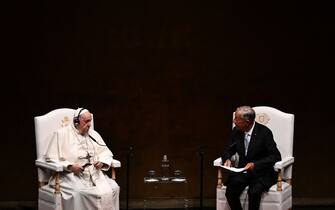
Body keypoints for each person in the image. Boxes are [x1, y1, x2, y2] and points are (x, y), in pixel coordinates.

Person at [44, 107, 120, 210]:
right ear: (76, 121)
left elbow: (106, 153)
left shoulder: (93, 134)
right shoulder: (61, 134)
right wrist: (70, 166)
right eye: (86, 121)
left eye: (90, 121)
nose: (89, 124)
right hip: (70, 176)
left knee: (114, 188)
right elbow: (50, 158)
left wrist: (102, 162)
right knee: (80, 192)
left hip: (94, 174)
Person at [221, 106, 281, 210]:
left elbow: (275, 156)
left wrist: (255, 164)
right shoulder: (236, 131)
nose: (234, 121)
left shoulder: (264, 133)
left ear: (247, 121)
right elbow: (228, 150)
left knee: (254, 192)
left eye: (237, 119)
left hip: (261, 172)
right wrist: (227, 159)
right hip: (243, 171)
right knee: (231, 191)